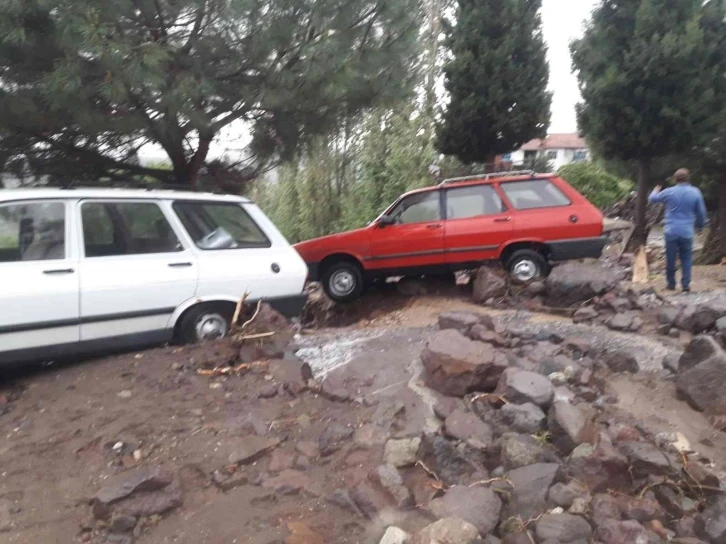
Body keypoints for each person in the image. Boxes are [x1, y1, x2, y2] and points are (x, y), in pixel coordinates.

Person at [648, 168, 707, 292]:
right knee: (686, 258)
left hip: (671, 231)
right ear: (688, 178)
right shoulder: (695, 192)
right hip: (687, 232)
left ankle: (671, 284)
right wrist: (700, 227)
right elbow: (701, 213)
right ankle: (685, 285)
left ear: (675, 179)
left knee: (670, 258)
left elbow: (652, 199)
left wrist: (656, 189)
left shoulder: (669, 192)